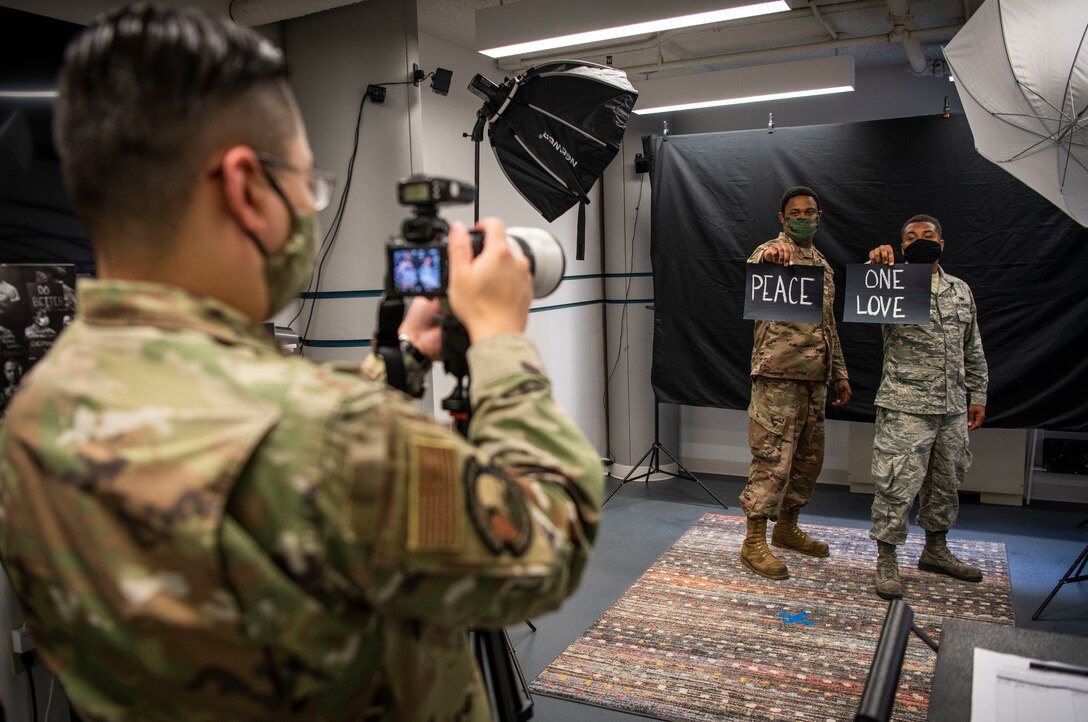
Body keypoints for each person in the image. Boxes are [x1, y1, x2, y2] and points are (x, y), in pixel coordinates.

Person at [0, 5, 603, 721]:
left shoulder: (39, 411)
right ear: (246, 189)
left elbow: (276, 434)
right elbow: (545, 544)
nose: (310, 210)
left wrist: (403, 358)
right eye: (306, 185)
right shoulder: (331, 437)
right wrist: (503, 340)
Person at [867, 214, 988, 600]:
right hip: (906, 407)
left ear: (942, 242)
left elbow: (973, 347)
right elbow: (867, 293)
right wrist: (877, 264)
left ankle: (935, 550)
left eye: (928, 235)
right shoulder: (893, 283)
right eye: (911, 237)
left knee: (946, 483)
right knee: (896, 484)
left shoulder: (960, 290)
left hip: (951, 407)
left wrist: (978, 395)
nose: (921, 240)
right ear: (902, 247)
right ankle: (886, 559)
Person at [739, 186, 851, 580]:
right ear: (783, 219)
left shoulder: (822, 264)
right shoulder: (769, 252)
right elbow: (758, 264)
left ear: (819, 216)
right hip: (777, 379)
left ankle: (786, 528)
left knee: (807, 460)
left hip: (815, 380)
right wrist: (772, 257)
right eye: (796, 213)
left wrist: (839, 372)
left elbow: (828, 326)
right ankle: (753, 542)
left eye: (810, 211)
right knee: (772, 459)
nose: (804, 218)